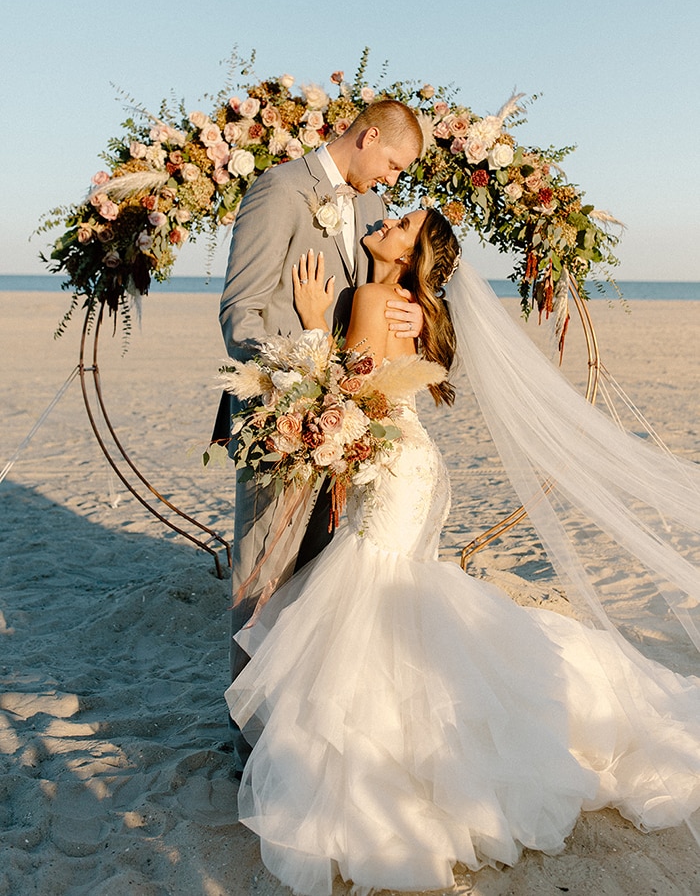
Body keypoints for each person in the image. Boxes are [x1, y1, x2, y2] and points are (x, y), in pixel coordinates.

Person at [224, 207, 700, 896]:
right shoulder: (406, 304)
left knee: (373, 594)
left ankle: (393, 763)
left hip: (393, 471)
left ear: (409, 254)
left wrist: (308, 319)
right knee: (399, 594)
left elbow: (348, 390)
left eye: (401, 224)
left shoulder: (364, 297)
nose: (386, 220)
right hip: (412, 462)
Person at [218, 101, 425, 759]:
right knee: (264, 572)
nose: (389, 182)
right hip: (285, 417)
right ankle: (250, 741)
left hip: (345, 424)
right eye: (391, 164)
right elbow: (241, 311)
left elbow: (387, 291)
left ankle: (300, 733)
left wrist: (414, 318)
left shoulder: (366, 215)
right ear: (367, 138)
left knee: (316, 580)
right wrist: (296, 381)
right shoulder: (278, 190)